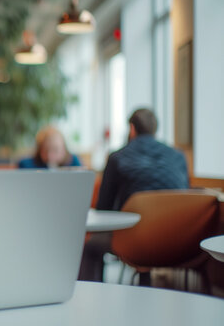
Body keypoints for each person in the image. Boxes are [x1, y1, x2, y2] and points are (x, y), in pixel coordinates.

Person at [79, 108, 189, 281]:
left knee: (91, 246)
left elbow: (103, 209)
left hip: (135, 242)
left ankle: (91, 299)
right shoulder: (178, 156)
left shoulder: (118, 157)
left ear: (131, 128)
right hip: (178, 241)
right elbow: (185, 198)